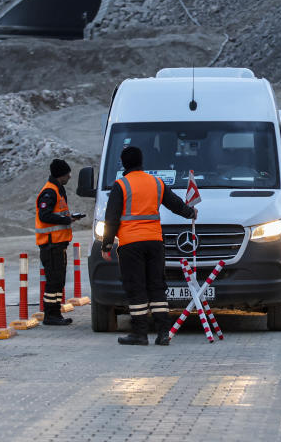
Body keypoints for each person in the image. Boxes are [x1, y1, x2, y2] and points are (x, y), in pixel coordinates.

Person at [101, 146, 196, 345]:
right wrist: (190, 213)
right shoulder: (156, 182)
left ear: (123, 163)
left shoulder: (121, 185)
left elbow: (111, 218)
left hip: (130, 244)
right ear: (141, 161)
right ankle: (163, 333)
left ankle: (140, 333)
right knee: (157, 287)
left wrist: (107, 245)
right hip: (154, 242)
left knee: (136, 287)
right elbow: (175, 204)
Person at [35, 159, 82, 326]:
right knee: (54, 280)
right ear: (60, 174)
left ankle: (54, 313)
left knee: (58, 280)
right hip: (51, 245)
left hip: (58, 244)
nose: (69, 176)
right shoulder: (50, 192)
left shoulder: (58, 190)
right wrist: (65, 219)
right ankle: (51, 314)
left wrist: (68, 218)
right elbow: (44, 215)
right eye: (67, 173)